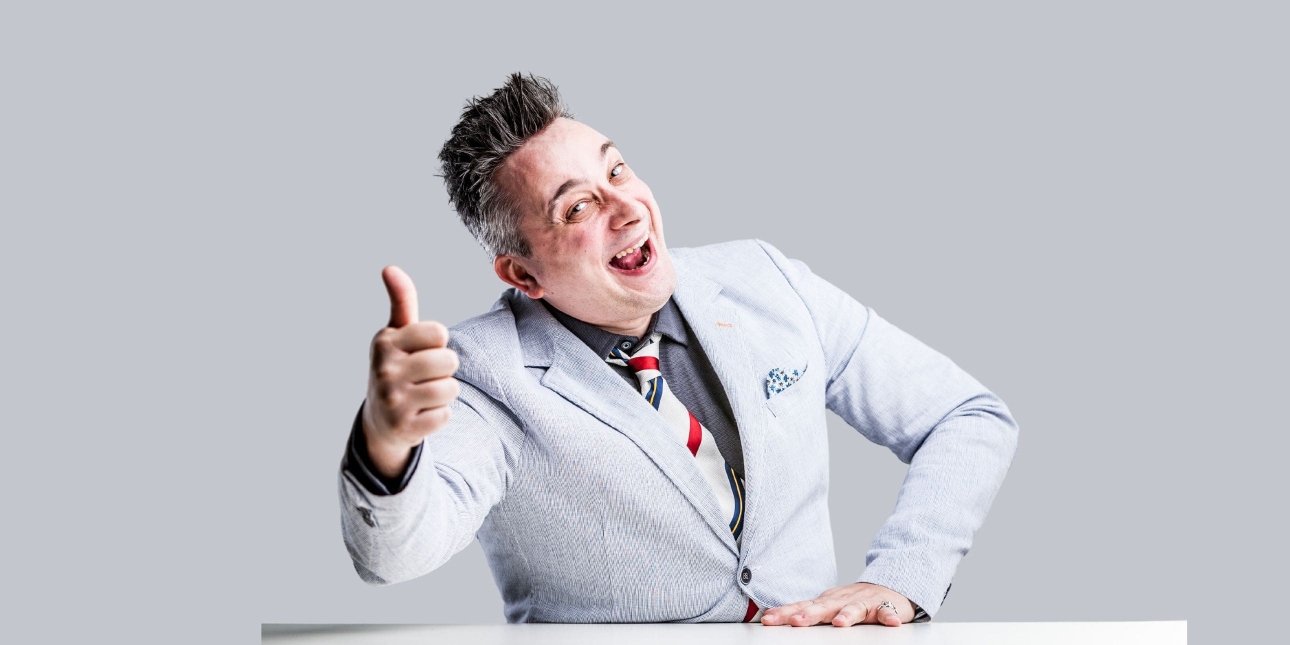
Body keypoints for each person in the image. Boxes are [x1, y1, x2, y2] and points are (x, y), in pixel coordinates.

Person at [338, 72, 1018, 627]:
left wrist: (902, 575)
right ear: (523, 274)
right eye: (577, 208)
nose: (628, 207)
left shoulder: (765, 280)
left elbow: (964, 415)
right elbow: (393, 555)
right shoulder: (485, 372)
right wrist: (384, 440)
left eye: (618, 170)